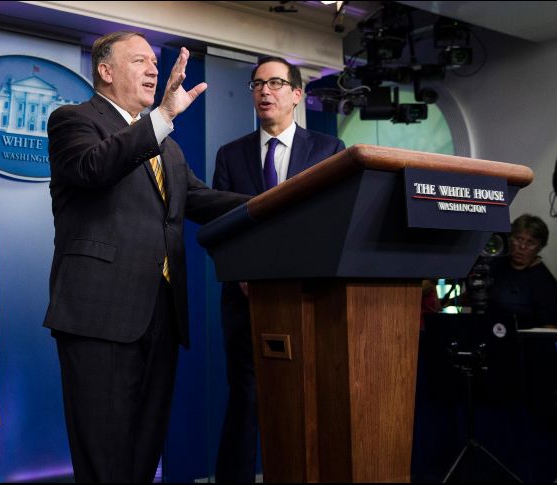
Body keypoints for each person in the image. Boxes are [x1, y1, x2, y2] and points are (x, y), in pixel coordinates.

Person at [43, 31, 250, 483]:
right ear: (106, 70)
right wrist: (160, 118)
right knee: (104, 455)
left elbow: (203, 200)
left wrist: (282, 200)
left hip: (161, 314)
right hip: (99, 314)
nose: (153, 70)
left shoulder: (168, 148)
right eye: (139, 61)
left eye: (154, 64)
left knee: (143, 452)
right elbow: (95, 167)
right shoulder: (73, 120)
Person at [211, 56, 345, 483]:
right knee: (246, 400)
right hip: (245, 302)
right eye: (256, 84)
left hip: (309, 300)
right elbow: (221, 228)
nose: (264, 91)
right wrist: (243, 272)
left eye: (274, 83)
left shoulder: (328, 151)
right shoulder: (230, 155)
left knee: (305, 399)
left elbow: (333, 224)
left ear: (296, 94)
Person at [486, 214, 557, 329]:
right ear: (510, 238)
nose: (522, 246)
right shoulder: (495, 264)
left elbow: (550, 328)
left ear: (539, 247)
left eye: (530, 243)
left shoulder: (544, 282)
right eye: (518, 239)